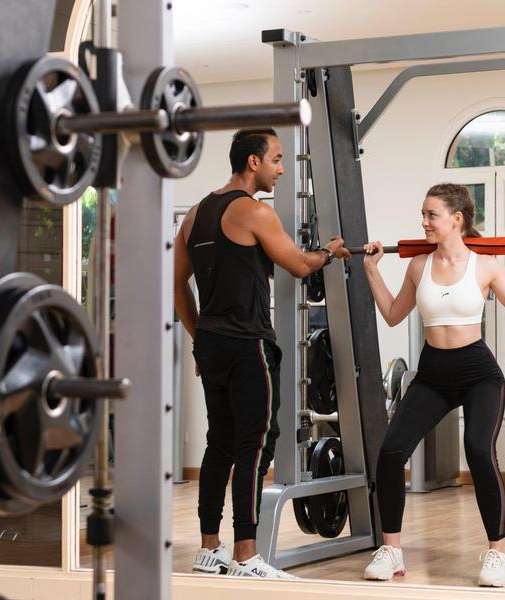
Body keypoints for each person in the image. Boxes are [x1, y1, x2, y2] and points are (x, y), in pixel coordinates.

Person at [173, 128, 350, 579]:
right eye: (276, 159)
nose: (281, 168)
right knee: (256, 442)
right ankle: (247, 554)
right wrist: (329, 252)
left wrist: (199, 336)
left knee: (220, 444)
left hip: (212, 343)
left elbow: (176, 283)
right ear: (253, 162)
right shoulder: (254, 212)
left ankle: (209, 548)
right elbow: (297, 263)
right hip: (249, 342)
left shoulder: (193, 215)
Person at [361, 183, 505, 587]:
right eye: (423, 214)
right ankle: (391, 549)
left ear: (456, 219)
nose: (424, 221)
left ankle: (498, 555)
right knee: (392, 451)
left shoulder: (486, 265)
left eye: (431, 214)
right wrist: (372, 271)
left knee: (478, 450)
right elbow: (394, 314)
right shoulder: (418, 265)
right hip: (432, 376)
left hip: (479, 375)